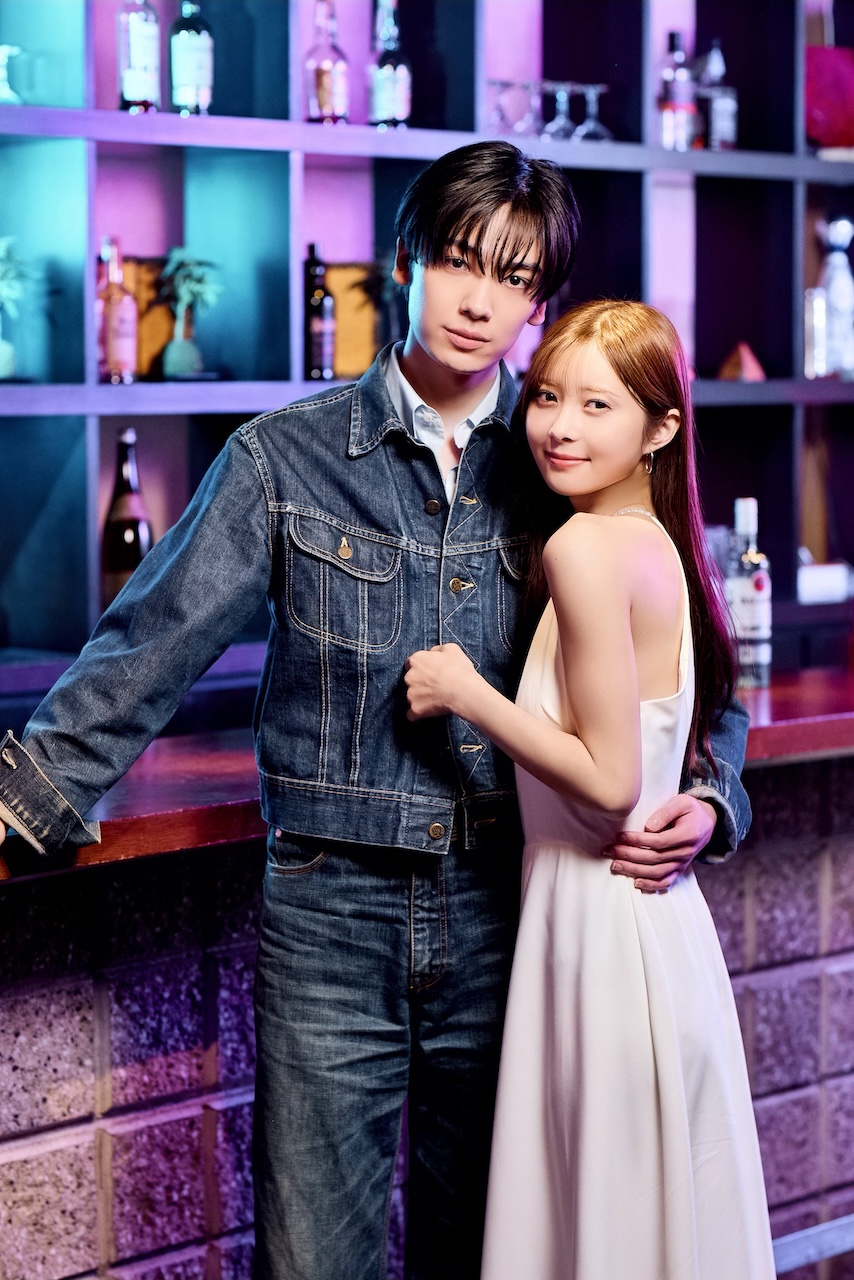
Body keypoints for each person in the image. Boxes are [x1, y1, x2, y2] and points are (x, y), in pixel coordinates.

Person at [0, 145, 751, 1280]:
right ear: (404, 262)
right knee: (313, 1261)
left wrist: (708, 796)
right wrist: (26, 798)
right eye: (457, 261)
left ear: (537, 303)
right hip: (330, 914)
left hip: (508, 913)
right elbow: (148, 645)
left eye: (512, 278)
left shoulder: (565, 452)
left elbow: (696, 663)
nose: (477, 300)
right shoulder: (283, 456)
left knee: (493, 1251)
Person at [404, 299, 774, 1280]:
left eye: (596, 405)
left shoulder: (582, 547)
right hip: (653, 926)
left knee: (594, 1232)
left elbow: (611, 784)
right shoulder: (656, 541)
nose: (559, 427)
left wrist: (466, 694)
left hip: (596, 919)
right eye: (546, 398)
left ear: (659, 428)